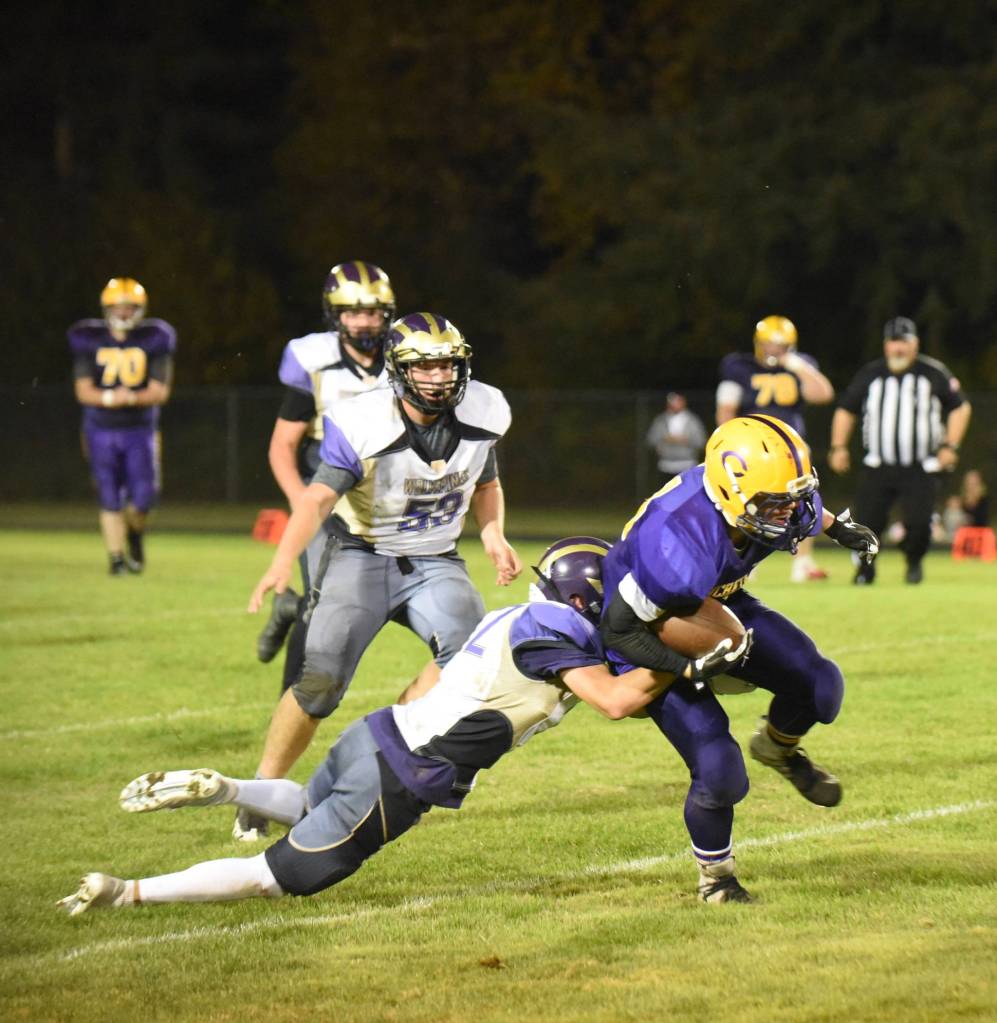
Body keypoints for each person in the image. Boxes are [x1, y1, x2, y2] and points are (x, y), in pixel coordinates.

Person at [56, 537, 717, 916]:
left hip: (380, 731)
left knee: (313, 805)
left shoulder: (510, 617)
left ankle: (230, 786)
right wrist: (682, 660)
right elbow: (611, 699)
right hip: (402, 773)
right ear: (587, 599)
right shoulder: (561, 632)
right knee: (275, 876)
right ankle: (128, 891)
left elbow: (434, 677)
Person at [240, 312, 522, 842]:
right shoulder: (364, 420)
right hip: (362, 554)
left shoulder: (485, 408)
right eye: (427, 366)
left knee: (470, 660)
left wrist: (492, 534)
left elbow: (486, 480)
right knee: (320, 680)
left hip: (436, 558)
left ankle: (390, 744)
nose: (440, 377)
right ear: (398, 370)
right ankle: (262, 791)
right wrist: (282, 560)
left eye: (448, 364)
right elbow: (319, 497)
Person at [599, 414, 879, 903]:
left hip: (719, 605)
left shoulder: (771, 498)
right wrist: (685, 667)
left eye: (794, 498)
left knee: (821, 687)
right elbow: (618, 628)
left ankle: (778, 747)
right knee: (720, 770)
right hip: (656, 629)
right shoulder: (674, 541)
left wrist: (841, 528)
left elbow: (806, 507)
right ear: (731, 494)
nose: (791, 514)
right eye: (778, 504)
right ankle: (717, 879)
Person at [256, 261, 396, 690]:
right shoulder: (313, 359)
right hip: (328, 480)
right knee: (321, 601)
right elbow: (283, 445)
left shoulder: (405, 356)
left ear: (387, 313)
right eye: (353, 312)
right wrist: (302, 499)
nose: (364, 322)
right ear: (335, 315)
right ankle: (290, 702)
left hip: (388, 490)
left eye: (373, 312)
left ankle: (287, 608)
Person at [828, 316, 972, 584]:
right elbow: (846, 409)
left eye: (904, 342)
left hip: (920, 466)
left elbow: (960, 407)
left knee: (919, 524)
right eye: (894, 342)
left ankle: (914, 563)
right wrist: (838, 447)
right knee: (867, 523)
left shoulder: (932, 373)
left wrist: (950, 445)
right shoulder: (871, 374)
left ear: (915, 344)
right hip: (878, 465)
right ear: (886, 345)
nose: (899, 348)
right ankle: (865, 568)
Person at [68, 278, 177, 575]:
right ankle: (116, 559)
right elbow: (83, 391)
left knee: (142, 499)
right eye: (119, 307)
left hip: (140, 430)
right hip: (99, 429)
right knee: (109, 494)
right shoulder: (87, 337)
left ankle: (135, 535)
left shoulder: (155, 337)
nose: (125, 313)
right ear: (107, 308)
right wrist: (108, 396)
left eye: (131, 308)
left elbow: (159, 392)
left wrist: (128, 397)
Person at [716, 315, 835, 583]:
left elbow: (823, 393)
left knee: (804, 498)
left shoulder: (799, 365)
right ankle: (742, 559)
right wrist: (730, 442)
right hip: (752, 448)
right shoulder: (740, 367)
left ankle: (802, 562)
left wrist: (795, 365)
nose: (773, 350)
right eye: (769, 343)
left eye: (780, 344)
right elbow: (725, 409)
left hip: (790, 447)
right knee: (744, 501)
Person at [645, 391, 707, 478]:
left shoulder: (693, 420)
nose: (675, 404)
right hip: (665, 466)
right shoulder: (660, 420)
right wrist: (664, 440)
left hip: (687, 465)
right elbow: (651, 440)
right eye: (672, 401)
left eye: (678, 401)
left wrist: (686, 440)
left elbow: (701, 441)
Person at [942, 469, 990, 537]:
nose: (971, 485)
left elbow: (981, 520)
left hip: (977, 532)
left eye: (974, 483)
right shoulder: (962, 499)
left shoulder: (983, 500)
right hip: (962, 531)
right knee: (951, 512)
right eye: (969, 482)